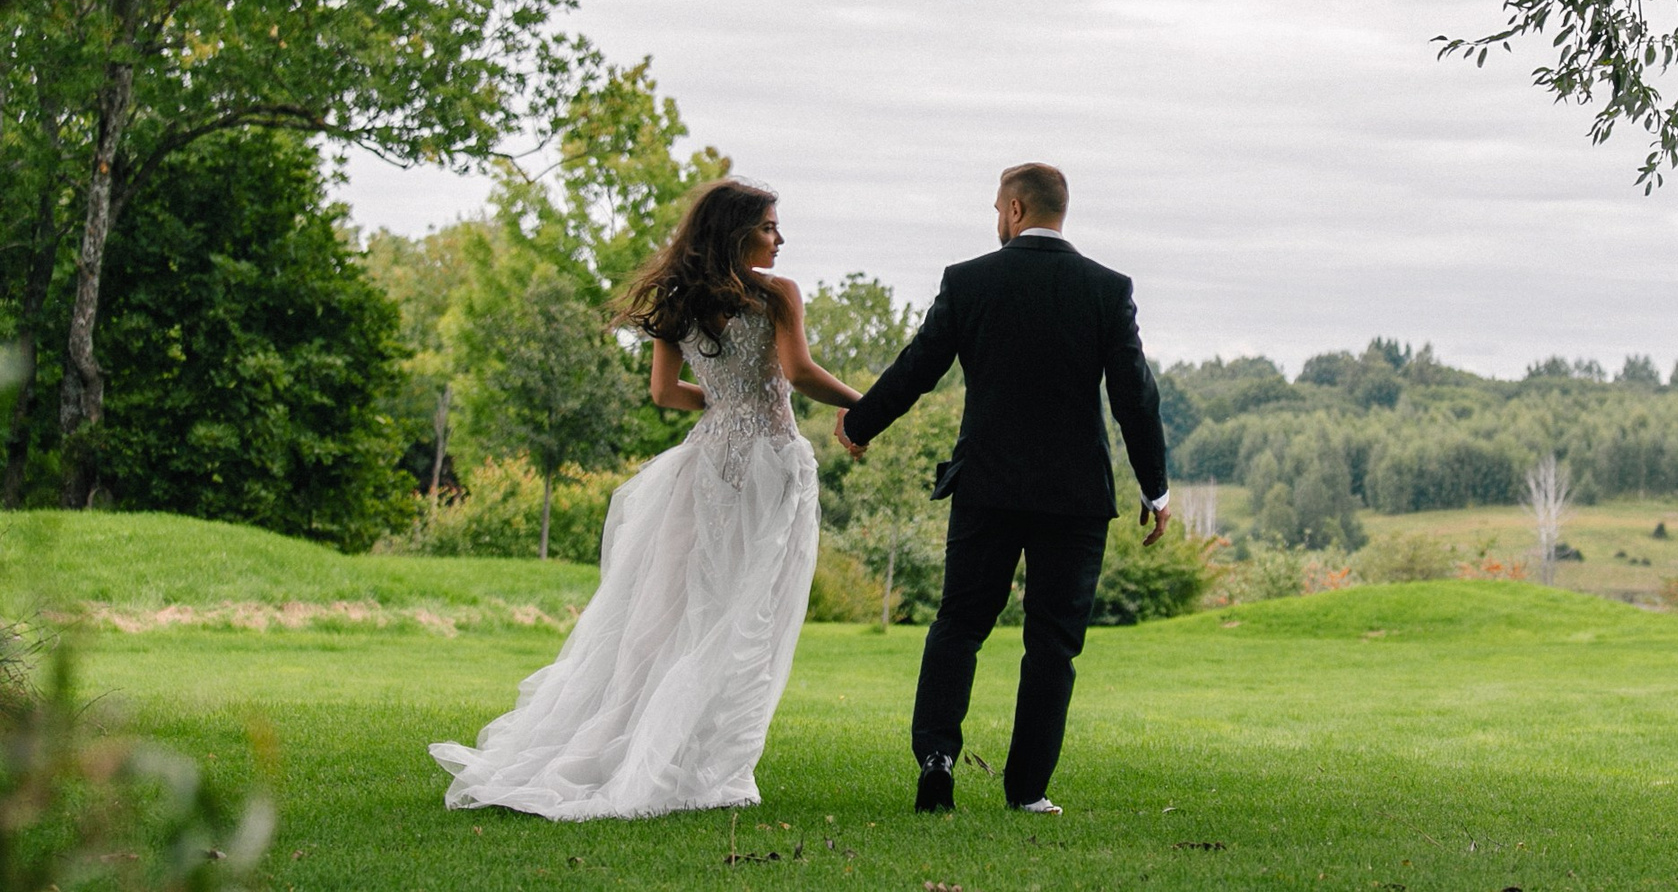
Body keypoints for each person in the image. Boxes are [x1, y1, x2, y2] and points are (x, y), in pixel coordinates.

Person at [429, 179, 866, 820]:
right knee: (749, 615)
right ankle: (712, 766)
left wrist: (724, 402)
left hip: (708, 462)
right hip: (771, 465)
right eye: (770, 226)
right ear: (737, 231)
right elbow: (797, 374)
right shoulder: (778, 295)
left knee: (684, 610)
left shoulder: (676, 299)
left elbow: (666, 394)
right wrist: (867, 404)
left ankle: (672, 752)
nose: (780, 238)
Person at [839, 161, 1169, 816]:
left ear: (1016, 210)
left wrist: (860, 422)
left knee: (959, 624)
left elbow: (919, 365)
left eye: (996, 208)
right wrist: (1154, 488)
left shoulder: (969, 282)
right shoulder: (1107, 289)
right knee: (1052, 641)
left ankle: (936, 758)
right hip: (1074, 496)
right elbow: (1136, 396)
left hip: (986, 485)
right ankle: (1027, 791)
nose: (995, 219)